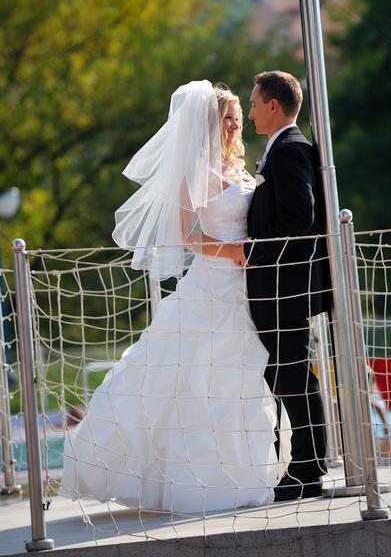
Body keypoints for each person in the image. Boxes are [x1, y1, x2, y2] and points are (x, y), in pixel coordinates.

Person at [61, 80, 289, 514]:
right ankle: (196, 482)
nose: (236, 124)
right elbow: (188, 235)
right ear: (208, 123)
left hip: (246, 288)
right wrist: (232, 251)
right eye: (227, 117)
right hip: (211, 284)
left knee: (239, 379)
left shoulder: (241, 170)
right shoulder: (195, 173)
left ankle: (243, 475)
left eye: (237, 117)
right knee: (197, 377)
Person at [234, 70, 331, 501]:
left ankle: (308, 469)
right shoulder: (280, 148)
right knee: (284, 373)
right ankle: (302, 465)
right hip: (276, 287)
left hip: (284, 287)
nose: (251, 111)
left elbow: (299, 217)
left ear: (273, 105)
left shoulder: (290, 150)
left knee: (294, 375)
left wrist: (252, 250)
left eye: (254, 104)